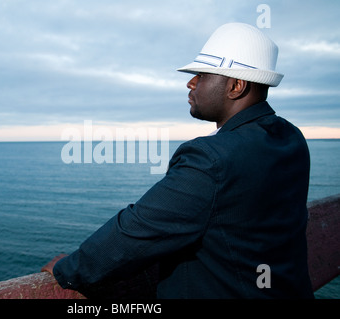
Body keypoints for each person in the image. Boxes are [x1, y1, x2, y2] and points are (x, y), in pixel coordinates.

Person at [41, 23, 314, 298]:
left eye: (202, 75)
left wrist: (68, 270)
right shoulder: (291, 138)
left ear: (236, 86)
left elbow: (139, 229)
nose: (190, 82)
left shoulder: (211, 158)